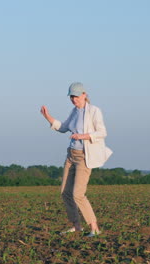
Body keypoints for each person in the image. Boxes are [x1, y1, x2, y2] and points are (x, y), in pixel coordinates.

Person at [40, 82, 111, 237]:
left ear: (84, 95)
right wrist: (47, 116)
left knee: (78, 194)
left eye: (77, 96)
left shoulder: (94, 111)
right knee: (65, 192)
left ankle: (94, 228)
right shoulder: (74, 111)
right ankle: (76, 226)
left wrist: (83, 136)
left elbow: (102, 132)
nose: (74, 99)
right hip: (71, 155)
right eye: (72, 96)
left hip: (84, 156)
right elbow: (63, 127)